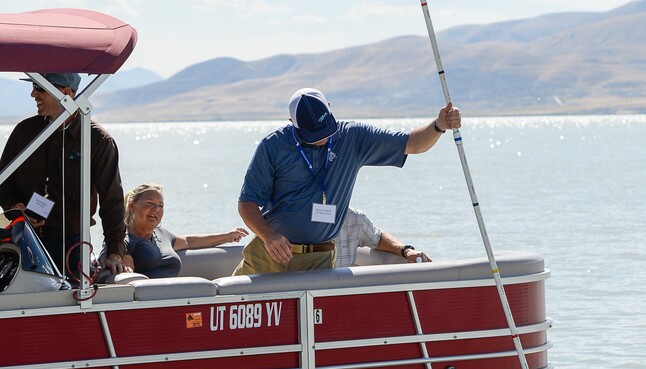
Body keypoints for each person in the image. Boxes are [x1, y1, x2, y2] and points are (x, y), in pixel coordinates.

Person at [234, 87, 460, 275]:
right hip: (269, 255)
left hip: (319, 261)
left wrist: (439, 125)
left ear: (330, 108)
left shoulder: (353, 137)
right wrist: (268, 236)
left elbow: (413, 143)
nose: (321, 137)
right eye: (312, 134)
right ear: (292, 122)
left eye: (325, 129)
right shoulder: (273, 146)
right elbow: (247, 204)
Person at [0, 73, 127, 276]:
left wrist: (115, 253)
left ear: (66, 93)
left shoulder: (98, 140)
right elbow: (4, 180)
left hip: (72, 245)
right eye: (34, 86)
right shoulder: (24, 131)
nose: (33, 93)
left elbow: (112, 201)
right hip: (23, 239)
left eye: (40, 88)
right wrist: (14, 207)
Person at [116, 183, 248, 278]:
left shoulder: (162, 234)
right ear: (132, 207)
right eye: (149, 203)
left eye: (160, 205)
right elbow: (130, 280)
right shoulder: (124, 239)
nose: (156, 209)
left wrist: (228, 236)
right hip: (150, 302)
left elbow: (188, 241)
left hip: (175, 298)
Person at [334, 207, 431, 267]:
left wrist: (407, 251)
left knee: (404, 261)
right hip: (321, 291)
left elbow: (378, 238)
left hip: (342, 290)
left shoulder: (353, 217)